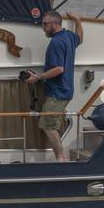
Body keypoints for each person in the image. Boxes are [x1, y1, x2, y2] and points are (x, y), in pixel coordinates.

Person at [20, 11, 83, 163]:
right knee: (50, 123)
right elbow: (80, 39)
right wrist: (78, 21)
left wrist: (38, 77)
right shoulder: (68, 36)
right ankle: (61, 156)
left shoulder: (55, 42)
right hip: (64, 90)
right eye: (42, 24)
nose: (43, 27)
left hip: (57, 93)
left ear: (55, 24)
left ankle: (61, 158)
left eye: (45, 24)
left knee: (47, 125)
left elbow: (59, 69)